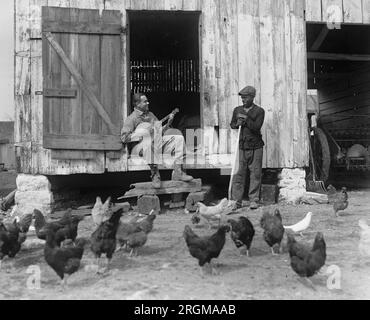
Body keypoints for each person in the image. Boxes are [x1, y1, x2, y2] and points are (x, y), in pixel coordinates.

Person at [120, 93, 193, 188]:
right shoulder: (132, 119)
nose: (147, 103)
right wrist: (141, 134)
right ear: (137, 104)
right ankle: (155, 175)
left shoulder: (151, 115)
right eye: (145, 101)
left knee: (178, 138)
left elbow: (159, 131)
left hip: (157, 143)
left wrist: (168, 124)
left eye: (147, 101)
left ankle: (178, 172)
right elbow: (124, 138)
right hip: (143, 147)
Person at [230, 86, 265, 210]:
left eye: (245, 98)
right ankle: (236, 201)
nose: (243, 100)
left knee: (255, 174)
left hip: (256, 147)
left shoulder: (259, 111)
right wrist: (237, 123)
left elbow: (256, 127)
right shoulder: (237, 110)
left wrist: (245, 120)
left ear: (252, 97)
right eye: (242, 98)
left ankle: (254, 200)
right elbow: (232, 124)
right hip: (241, 146)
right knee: (239, 174)